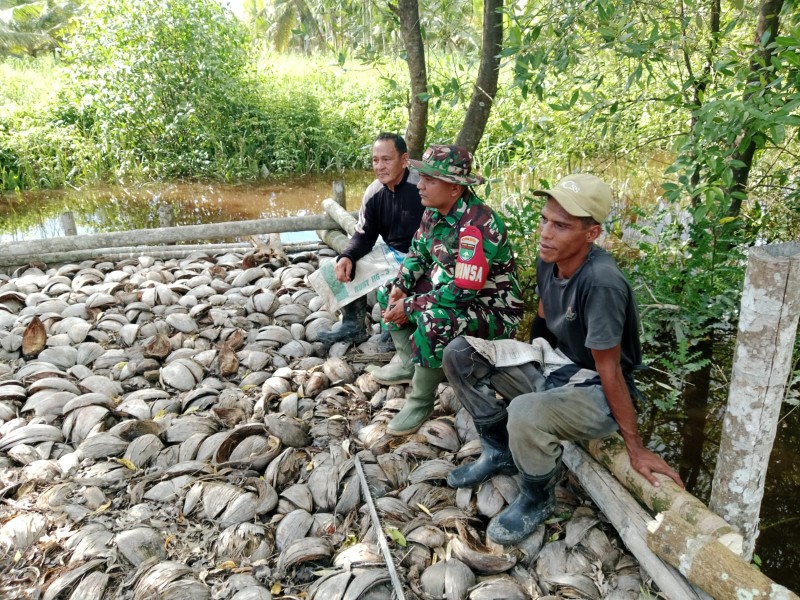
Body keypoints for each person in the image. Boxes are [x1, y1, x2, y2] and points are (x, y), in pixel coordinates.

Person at [441, 173, 684, 545]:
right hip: (557, 365)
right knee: (460, 353)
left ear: (592, 234)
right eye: (544, 220)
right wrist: (524, 357)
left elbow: (611, 370)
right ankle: (499, 450)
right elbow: (543, 320)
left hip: (595, 388)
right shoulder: (549, 259)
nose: (545, 232)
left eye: (560, 226)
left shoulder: (602, 283)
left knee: (524, 411)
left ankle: (537, 494)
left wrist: (636, 447)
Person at [373, 144, 524, 436]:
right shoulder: (434, 211)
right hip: (457, 297)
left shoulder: (477, 225)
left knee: (433, 320)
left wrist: (412, 306)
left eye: (430, 179)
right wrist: (401, 288)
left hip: (493, 311)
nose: (420, 185)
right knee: (387, 292)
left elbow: (463, 291)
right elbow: (418, 254)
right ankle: (410, 364)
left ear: (455, 189)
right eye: (421, 176)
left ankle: (421, 400)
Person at [317, 133, 426, 345]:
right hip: (391, 252)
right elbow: (365, 235)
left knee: (393, 285)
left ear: (404, 160)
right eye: (375, 160)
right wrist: (347, 255)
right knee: (339, 265)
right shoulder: (374, 192)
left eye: (387, 159)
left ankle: (394, 332)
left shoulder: (421, 188)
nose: (380, 166)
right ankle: (353, 326)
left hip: (421, 255)